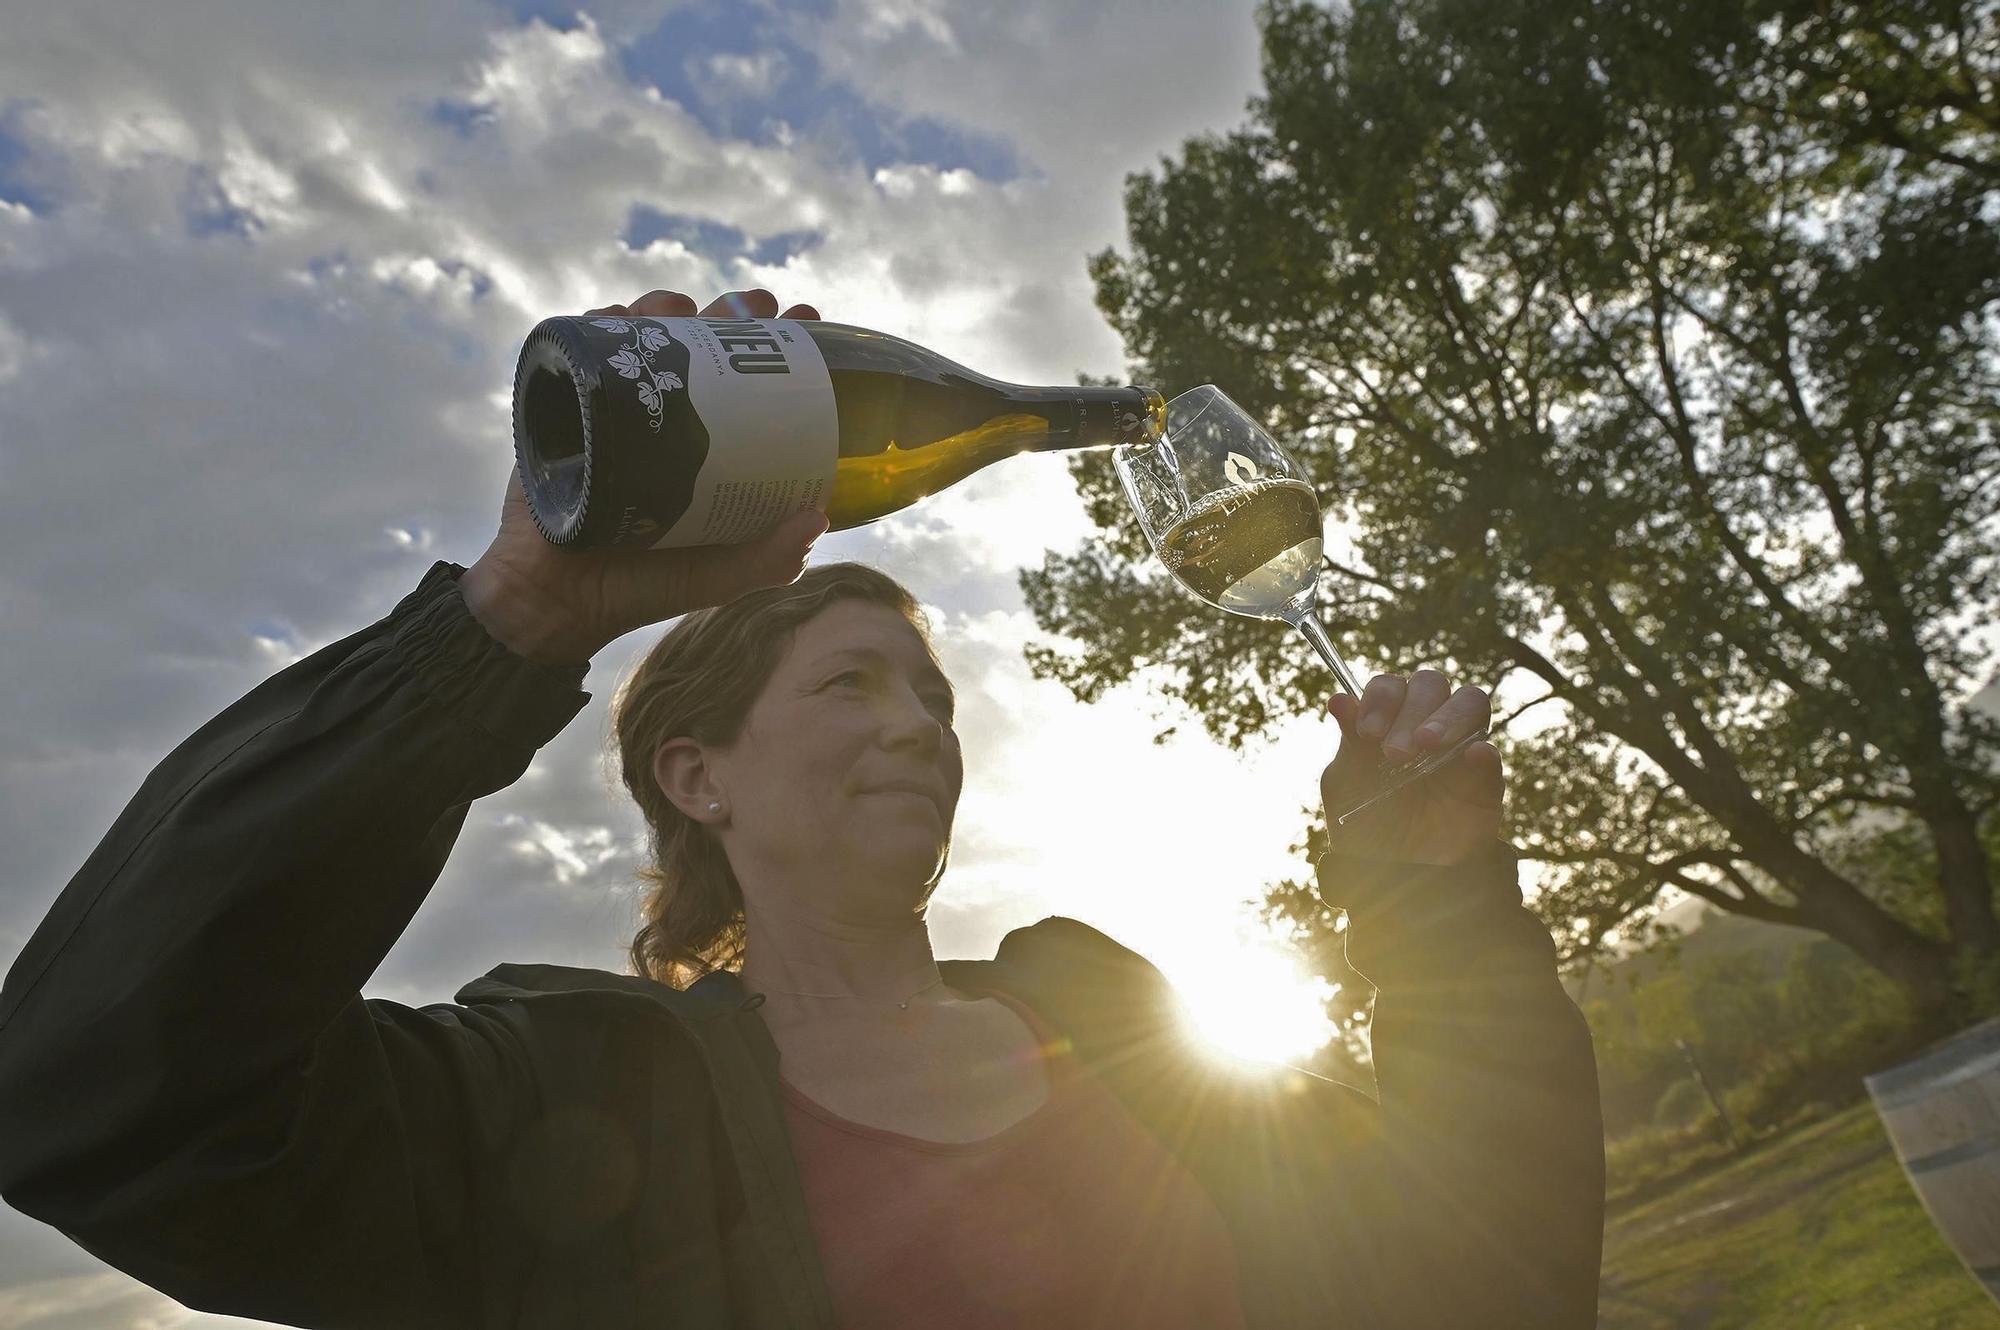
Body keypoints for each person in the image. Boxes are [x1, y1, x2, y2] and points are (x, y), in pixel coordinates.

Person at [0, 288, 1604, 1329]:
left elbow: (1483, 1278)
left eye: (934, 696)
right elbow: (93, 1101)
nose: (919, 727)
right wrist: (515, 614)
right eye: (849, 686)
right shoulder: (576, 1105)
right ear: (696, 776)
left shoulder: (1104, 1014)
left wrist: (1438, 903)